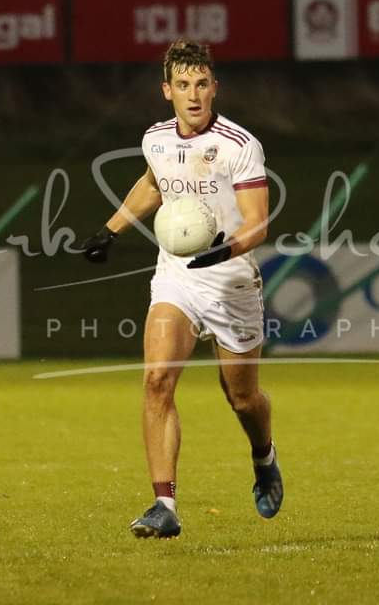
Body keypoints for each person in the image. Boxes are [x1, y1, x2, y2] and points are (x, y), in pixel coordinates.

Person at [80, 39, 283, 539]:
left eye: (202, 85)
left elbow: (258, 223)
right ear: (166, 90)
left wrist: (222, 251)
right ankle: (163, 504)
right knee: (156, 381)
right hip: (176, 277)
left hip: (232, 281)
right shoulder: (156, 139)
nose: (193, 95)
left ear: (215, 88)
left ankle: (264, 456)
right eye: (183, 86)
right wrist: (110, 230)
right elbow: (153, 183)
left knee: (242, 399)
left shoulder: (239, 145)